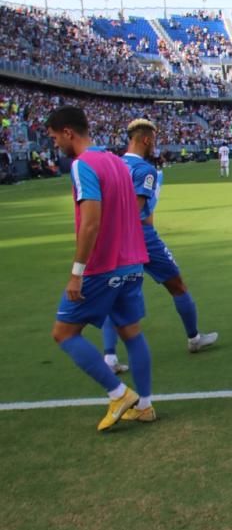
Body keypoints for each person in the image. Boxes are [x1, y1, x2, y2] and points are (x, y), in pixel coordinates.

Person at [46, 106, 155, 430]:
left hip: (103, 266)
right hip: (132, 261)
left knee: (64, 333)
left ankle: (118, 393)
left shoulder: (83, 166)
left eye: (54, 138)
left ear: (68, 132)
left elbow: (90, 223)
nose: (55, 145)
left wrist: (76, 272)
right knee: (132, 333)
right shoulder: (116, 161)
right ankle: (145, 405)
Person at [101, 119, 219, 374]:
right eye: (154, 138)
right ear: (146, 139)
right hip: (140, 236)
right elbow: (135, 211)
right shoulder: (145, 170)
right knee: (177, 285)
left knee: (115, 295)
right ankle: (194, 338)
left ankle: (109, 357)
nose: (155, 143)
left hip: (111, 238)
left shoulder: (110, 165)